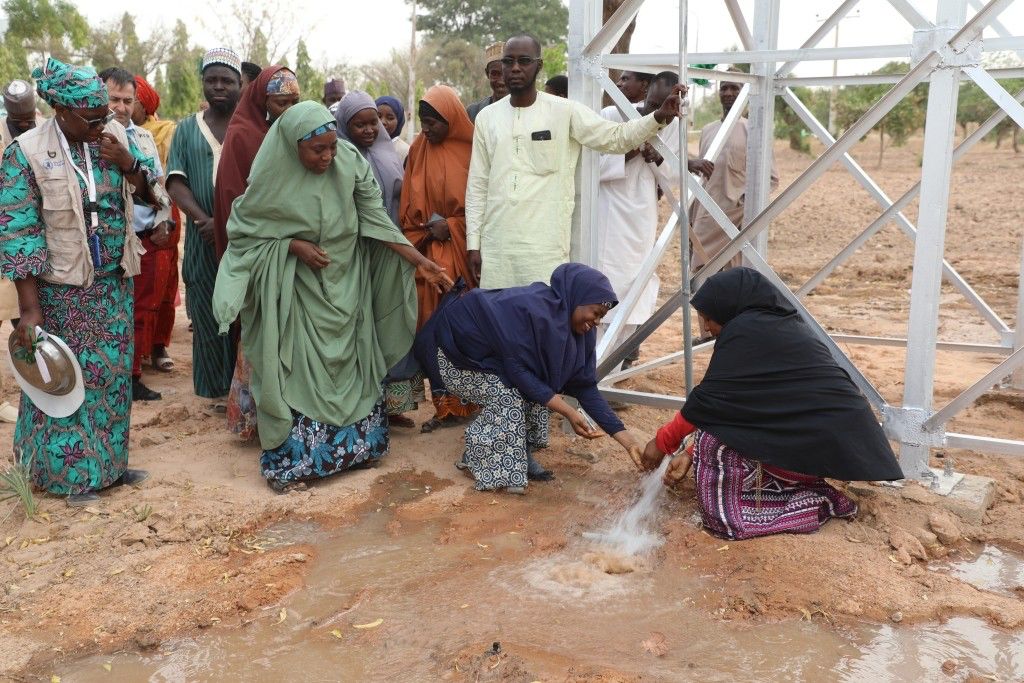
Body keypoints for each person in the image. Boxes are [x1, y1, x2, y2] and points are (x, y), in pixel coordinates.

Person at [212, 101, 451, 492]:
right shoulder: (271, 179)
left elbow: (376, 220)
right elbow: (245, 236)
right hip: (299, 294)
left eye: (332, 147)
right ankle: (296, 464)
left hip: (349, 285)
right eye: (317, 150)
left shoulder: (349, 164)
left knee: (354, 368)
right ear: (293, 146)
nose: (327, 156)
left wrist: (420, 261)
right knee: (297, 372)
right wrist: (292, 246)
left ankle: (358, 450)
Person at [641, 268, 904, 540]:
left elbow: (710, 400)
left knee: (712, 445)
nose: (706, 327)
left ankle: (749, 518)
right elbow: (734, 408)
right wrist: (688, 454)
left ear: (728, 307)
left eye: (708, 318)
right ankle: (794, 491)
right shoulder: (773, 326)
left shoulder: (745, 331)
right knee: (713, 438)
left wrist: (662, 443)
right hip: (832, 440)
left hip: (827, 439)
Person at [0, 57, 157, 505]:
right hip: (60, 293)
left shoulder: (117, 138)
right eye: (91, 119)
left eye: (103, 116)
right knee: (64, 382)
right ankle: (67, 479)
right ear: (61, 111)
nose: (101, 125)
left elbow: (154, 194)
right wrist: (30, 310)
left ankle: (110, 468)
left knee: (111, 380)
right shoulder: (26, 152)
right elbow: (18, 233)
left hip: (112, 286)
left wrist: (129, 164)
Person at [466, 34, 687, 289]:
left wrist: (657, 117)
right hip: (497, 250)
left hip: (544, 253)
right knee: (496, 312)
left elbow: (615, 137)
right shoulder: (487, 118)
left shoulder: (565, 111)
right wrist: (474, 244)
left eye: (524, 61)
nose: (515, 68)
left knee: (543, 312)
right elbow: (477, 186)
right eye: (508, 61)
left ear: (538, 66)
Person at [416, 263, 643, 493]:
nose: (597, 322)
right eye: (596, 313)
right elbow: (518, 372)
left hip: (496, 361)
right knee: (509, 394)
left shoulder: (580, 332)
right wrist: (568, 411)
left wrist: (629, 442)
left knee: (540, 386)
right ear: (577, 298)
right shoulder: (534, 311)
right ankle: (481, 458)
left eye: (602, 317)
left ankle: (518, 452)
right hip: (455, 356)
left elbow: (584, 386)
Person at [596, 70, 709, 368]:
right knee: (604, 282)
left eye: (662, 107)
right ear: (646, 93)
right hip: (608, 211)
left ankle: (617, 362)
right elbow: (594, 165)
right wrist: (636, 148)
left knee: (635, 282)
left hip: (641, 212)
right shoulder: (612, 114)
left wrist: (658, 157)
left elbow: (673, 173)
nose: (658, 111)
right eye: (653, 104)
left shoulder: (674, 123)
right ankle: (595, 364)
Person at [215, 65, 300, 440]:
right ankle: (256, 418)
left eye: (295, 102)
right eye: (281, 103)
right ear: (263, 100)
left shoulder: (289, 133)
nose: (289, 110)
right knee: (258, 329)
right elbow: (235, 202)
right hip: (258, 250)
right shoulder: (244, 136)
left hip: (289, 250)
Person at [399, 85, 479, 433]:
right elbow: (408, 205)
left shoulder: (473, 148)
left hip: (464, 254)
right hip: (428, 253)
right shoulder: (418, 148)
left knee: (465, 329)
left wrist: (453, 226)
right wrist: (427, 231)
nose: (426, 129)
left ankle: (473, 401)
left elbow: (485, 204)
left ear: (451, 118)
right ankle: (446, 406)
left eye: (433, 122)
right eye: (423, 122)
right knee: (429, 330)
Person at [337, 91, 419, 427]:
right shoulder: (337, 156)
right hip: (354, 254)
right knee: (359, 326)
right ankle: (365, 406)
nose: (370, 129)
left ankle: (394, 406)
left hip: (391, 251)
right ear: (345, 126)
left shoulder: (391, 154)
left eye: (374, 123)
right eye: (360, 125)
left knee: (392, 320)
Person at [166, 48, 243, 402]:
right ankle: (214, 392)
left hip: (244, 239)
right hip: (202, 239)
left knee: (243, 313)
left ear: (240, 84)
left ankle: (243, 391)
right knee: (207, 312)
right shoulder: (186, 128)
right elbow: (175, 181)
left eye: (227, 80)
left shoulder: (251, 127)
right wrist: (205, 219)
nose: (219, 87)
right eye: (211, 80)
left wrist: (229, 224)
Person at [102, 67, 173, 402]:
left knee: (140, 309)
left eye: (128, 100)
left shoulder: (144, 138)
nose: (121, 107)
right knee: (108, 312)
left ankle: (131, 377)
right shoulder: (90, 139)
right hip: (105, 240)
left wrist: (164, 219)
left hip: (142, 239)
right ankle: (107, 377)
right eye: (114, 99)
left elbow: (158, 184)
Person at [690, 67, 778, 272]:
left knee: (735, 273)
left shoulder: (754, 130)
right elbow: (701, 178)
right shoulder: (708, 130)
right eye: (724, 88)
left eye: (734, 88)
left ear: (744, 92)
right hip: (706, 217)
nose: (728, 93)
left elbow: (771, 178)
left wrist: (746, 206)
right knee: (701, 271)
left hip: (736, 217)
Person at [0, 79, 43, 423]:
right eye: (19, 121)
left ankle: (43, 393)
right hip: (4, 238)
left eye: (29, 119)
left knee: (31, 322)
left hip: (31, 243)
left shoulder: (47, 131)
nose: (26, 124)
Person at [131, 75, 181, 378]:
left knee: (163, 284)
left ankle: (159, 345)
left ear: (144, 103)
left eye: (131, 100)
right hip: (132, 213)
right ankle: (137, 351)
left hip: (162, 208)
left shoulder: (166, 132)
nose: (124, 107)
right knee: (137, 287)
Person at [465, 42, 508, 123]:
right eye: (495, 74)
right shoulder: (474, 111)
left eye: (506, 73)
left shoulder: (525, 110)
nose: (501, 81)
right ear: (487, 74)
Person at [376, 95, 409, 163]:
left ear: (399, 121)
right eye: (378, 116)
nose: (382, 122)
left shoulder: (406, 151)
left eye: (390, 118)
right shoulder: (365, 146)